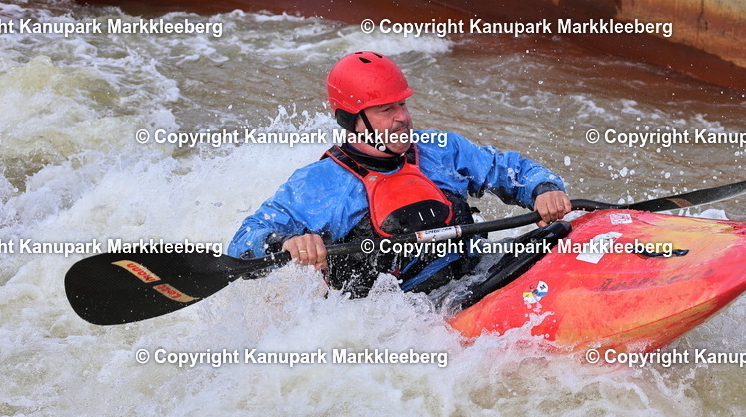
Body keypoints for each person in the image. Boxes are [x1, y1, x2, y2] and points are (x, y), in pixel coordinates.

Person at [227, 51, 571, 297]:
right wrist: (288, 242)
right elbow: (245, 240)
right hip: (407, 313)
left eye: (403, 104)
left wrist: (542, 189)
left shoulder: (441, 149)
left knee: (561, 234)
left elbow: (505, 168)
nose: (402, 117)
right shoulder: (319, 184)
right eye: (386, 109)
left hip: (479, 274)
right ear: (351, 120)